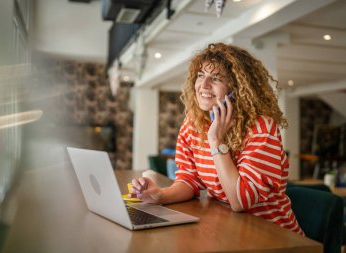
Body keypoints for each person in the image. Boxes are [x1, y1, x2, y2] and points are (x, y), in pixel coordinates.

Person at [129, 42, 303, 235]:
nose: (203, 85)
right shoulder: (193, 123)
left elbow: (240, 201)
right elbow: (189, 178)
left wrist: (216, 141)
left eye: (216, 78)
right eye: (201, 76)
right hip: (226, 227)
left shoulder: (261, 128)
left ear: (236, 87)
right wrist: (160, 195)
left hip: (271, 235)